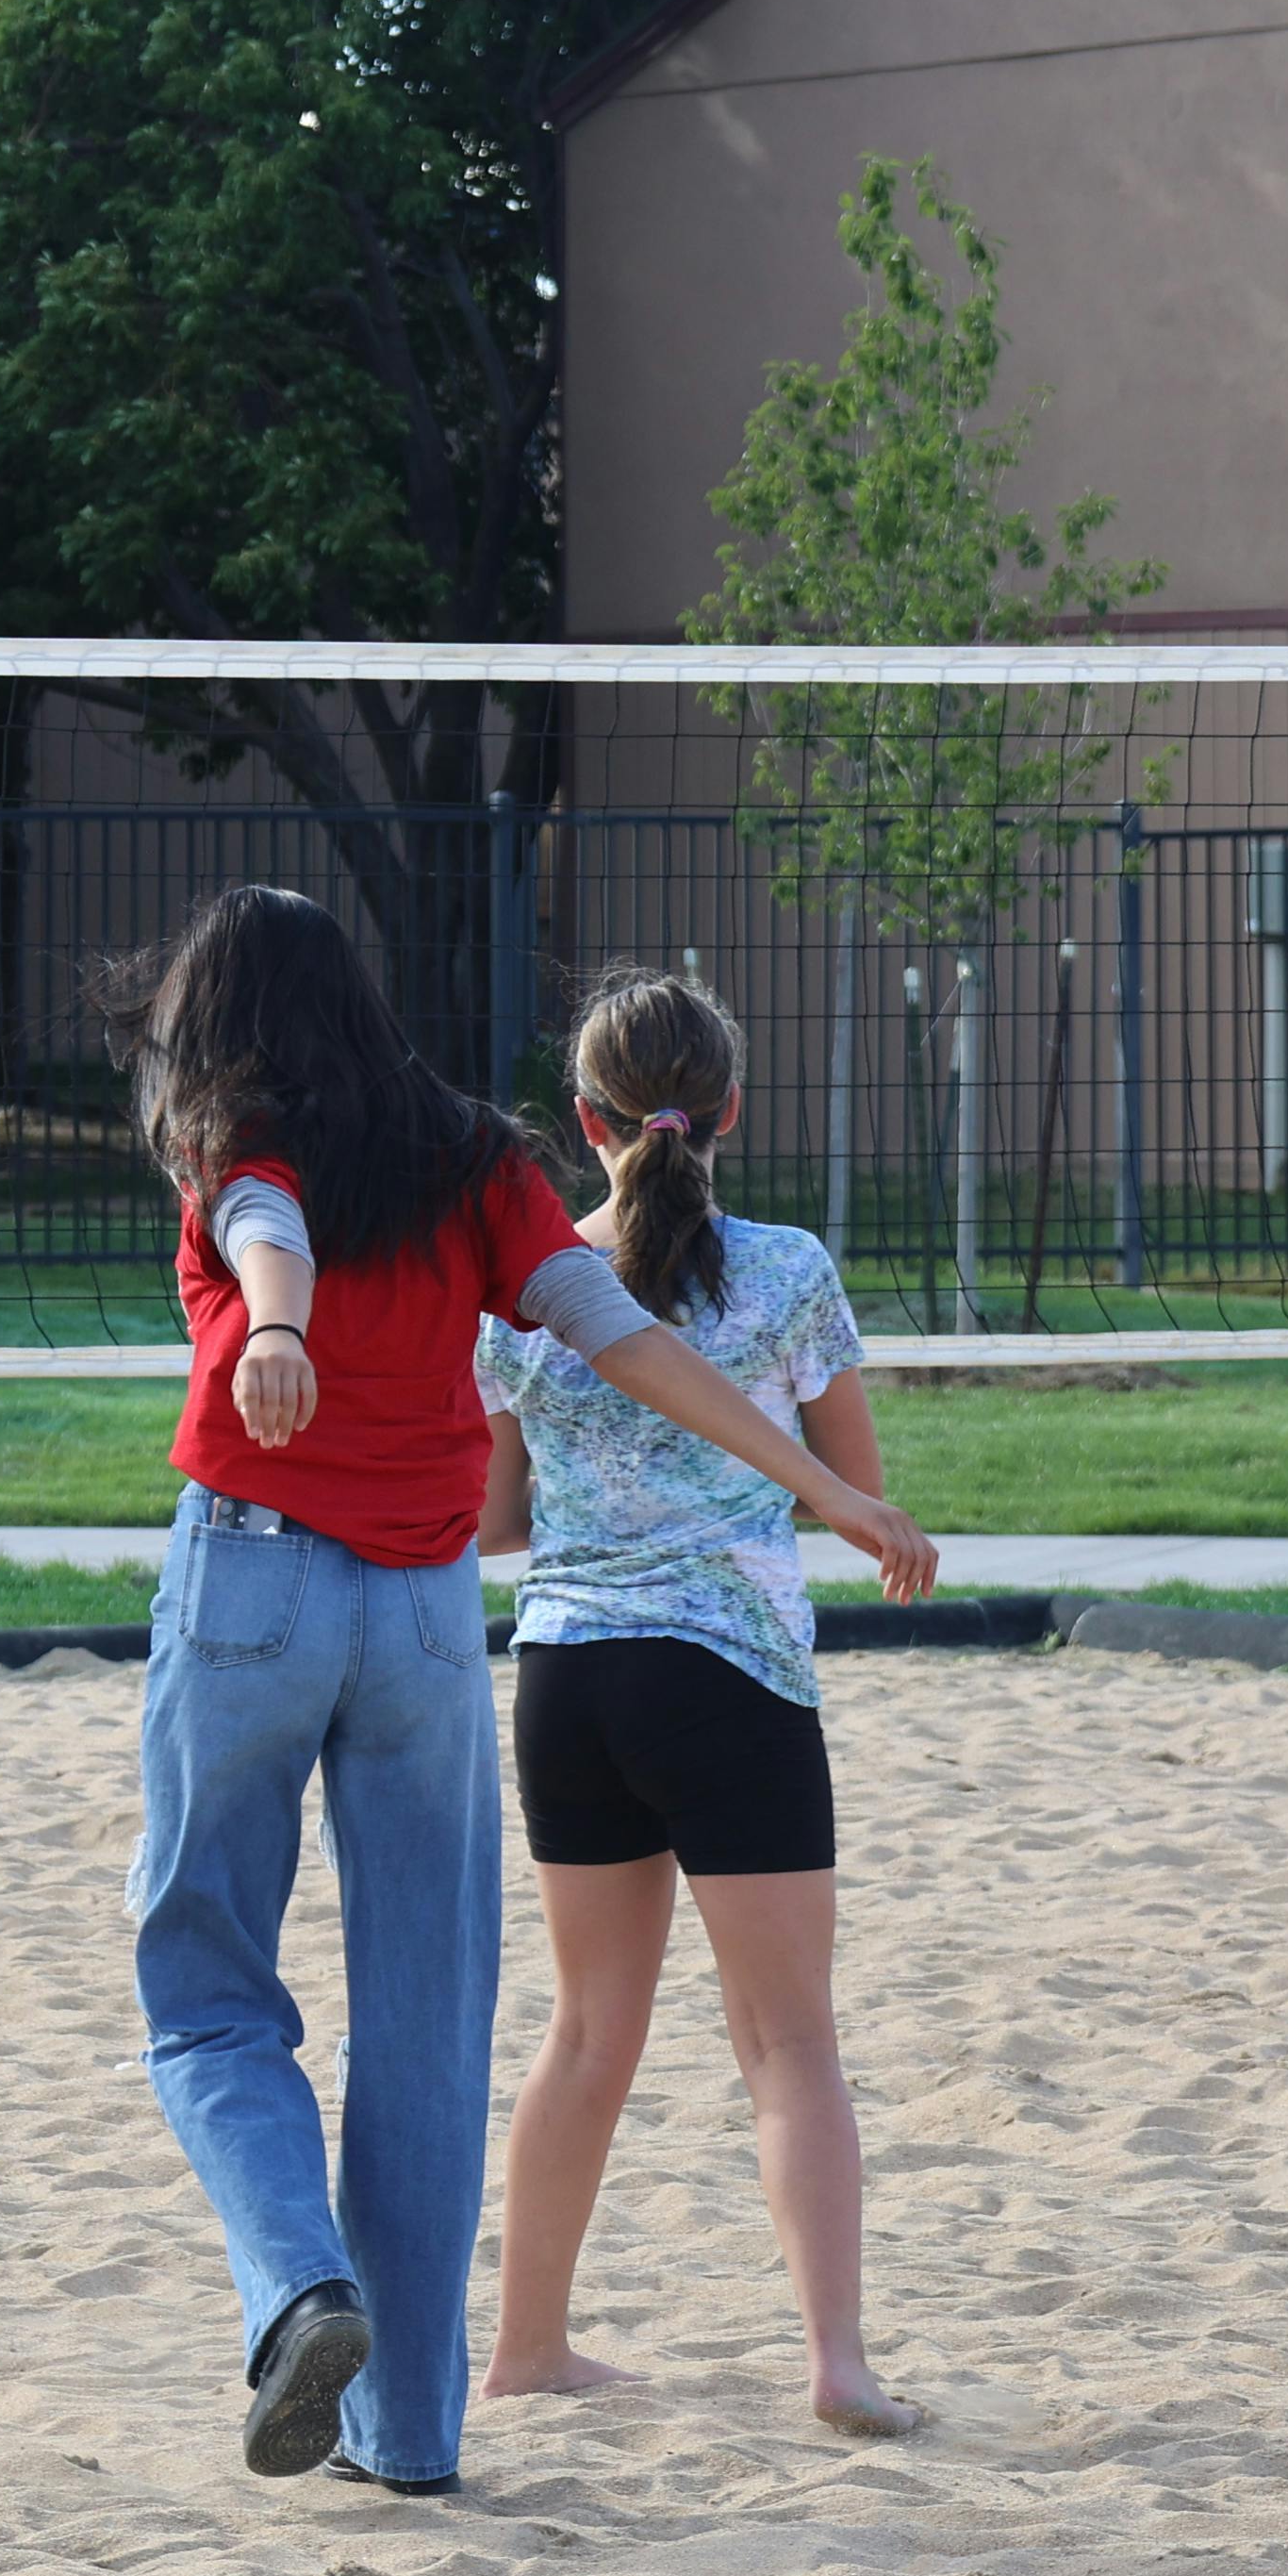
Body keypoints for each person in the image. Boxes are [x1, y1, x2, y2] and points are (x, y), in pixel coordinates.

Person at [100, 887, 935, 2498]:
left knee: (207, 1992)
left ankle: (297, 2290)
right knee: (427, 2025)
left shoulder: (233, 1140)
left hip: (267, 1577)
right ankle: (408, 2433)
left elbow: (267, 1225)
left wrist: (277, 1326)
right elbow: (620, 1330)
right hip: (421, 1618)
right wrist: (817, 1488)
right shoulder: (472, 1154)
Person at [475, 970, 933, 2435]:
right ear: (730, 1108)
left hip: (568, 1679)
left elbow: (493, 1525)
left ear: (582, 1120)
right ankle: (838, 2367)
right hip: (729, 1673)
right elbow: (848, 1482)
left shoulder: (525, 1285)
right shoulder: (788, 1269)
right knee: (790, 2042)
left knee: (586, 2032)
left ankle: (527, 2349)